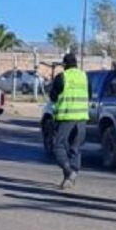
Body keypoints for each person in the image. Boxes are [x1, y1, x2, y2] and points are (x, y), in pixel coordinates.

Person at [48, 53, 89, 189]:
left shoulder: (62, 77)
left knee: (58, 146)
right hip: (82, 118)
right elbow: (90, 93)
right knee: (75, 148)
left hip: (66, 117)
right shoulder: (84, 76)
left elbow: (53, 97)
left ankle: (68, 171)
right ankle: (72, 176)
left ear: (65, 64)